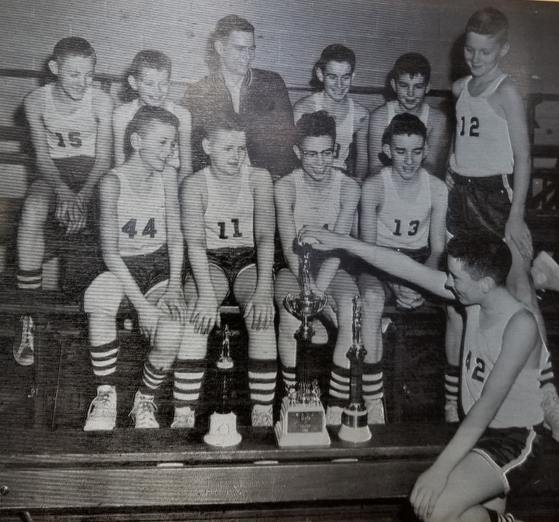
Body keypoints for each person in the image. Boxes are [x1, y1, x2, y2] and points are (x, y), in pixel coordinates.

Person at [302, 226, 546, 522]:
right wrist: (343, 242)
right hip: (478, 433)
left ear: (485, 283)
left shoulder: (521, 324)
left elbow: (487, 406)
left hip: (513, 440)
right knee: (467, 518)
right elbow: (405, 267)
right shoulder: (475, 298)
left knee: (432, 510)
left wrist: (438, 471)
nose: (450, 284)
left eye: (456, 278)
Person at [446, 7, 559, 445]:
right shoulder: (461, 88)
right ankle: (462, 397)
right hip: (462, 197)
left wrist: (517, 213)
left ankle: (548, 397)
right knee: (461, 299)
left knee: (520, 294)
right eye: (470, 48)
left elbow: (522, 157)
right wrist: (451, 167)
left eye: (485, 50)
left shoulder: (507, 92)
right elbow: (464, 140)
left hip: (496, 200)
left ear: (503, 49)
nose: (475, 57)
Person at [82, 106, 186, 431]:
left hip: (157, 267)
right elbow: (110, 253)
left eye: (173, 144)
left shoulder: (167, 176)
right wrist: (142, 308)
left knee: (172, 330)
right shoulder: (111, 182)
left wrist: (174, 286)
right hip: (120, 265)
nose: (169, 152)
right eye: (163, 143)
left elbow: (176, 235)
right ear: (137, 140)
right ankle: (105, 396)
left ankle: (144, 398)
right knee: (99, 297)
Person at [13, 37, 113, 366]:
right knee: (32, 208)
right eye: (73, 75)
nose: (82, 83)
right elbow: (42, 158)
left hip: (93, 176)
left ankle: (106, 315)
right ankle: (28, 316)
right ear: (54, 69)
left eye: (88, 74)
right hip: (55, 174)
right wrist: (63, 192)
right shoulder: (35, 101)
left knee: (109, 212)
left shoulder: (100, 101)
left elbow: (104, 161)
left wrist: (82, 196)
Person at [180, 114, 277, 427]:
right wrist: (207, 295)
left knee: (261, 314)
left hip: (249, 256)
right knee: (198, 312)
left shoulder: (259, 178)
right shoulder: (194, 184)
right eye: (227, 149)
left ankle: (263, 412)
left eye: (241, 148)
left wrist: (264, 289)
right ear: (208, 146)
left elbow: (264, 236)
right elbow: (194, 243)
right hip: (210, 258)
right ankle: (183, 413)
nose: (236, 156)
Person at [358, 113, 448, 423]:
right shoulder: (373, 186)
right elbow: (369, 251)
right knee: (370, 300)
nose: (409, 160)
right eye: (400, 151)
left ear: (425, 151)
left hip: (421, 259)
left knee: (461, 300)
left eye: (416, 151)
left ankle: (453, 400)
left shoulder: (437, 188)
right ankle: (372, 402)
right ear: (386, 150)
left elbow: (437, 250)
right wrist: (397, 281)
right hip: (379, 261)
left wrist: (421, 281)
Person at [274, 110, 361, 425]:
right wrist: (312, 297)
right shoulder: (285, 187)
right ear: (298, 152)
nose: (320, 162)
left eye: (327, 153)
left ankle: (337, 406)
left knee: (352, 308)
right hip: (295, 266)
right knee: (289, 309)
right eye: (311, 154)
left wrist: (319, 296)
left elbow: (338, 248)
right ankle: (292, 399)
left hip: (331, 267)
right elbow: (288, 249)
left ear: (336, 150)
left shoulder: (349, 187)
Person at [183, 14, 296, 181]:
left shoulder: (272, 83)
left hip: (269, 179)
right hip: (221, 182)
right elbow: (198, 153)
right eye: (240, 49)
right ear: (220, 48)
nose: (247, 57)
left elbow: (287, 143)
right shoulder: (198, 91)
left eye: (251, 49)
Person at [293, 44, 369, 181]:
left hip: (341, 179)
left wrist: (357, 182)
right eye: (332, 77)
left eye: (345, 77)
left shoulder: (360, 114)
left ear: (353, 76)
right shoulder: (303, 109)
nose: (339, 85)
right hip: (309, 177)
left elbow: (362, 159)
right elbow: (295, 155)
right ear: (320, 74)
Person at [369, 53, 449, 180]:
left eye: (418, 86)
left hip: (420, 181)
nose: (410, 93)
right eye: (404, 85)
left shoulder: (437, 119)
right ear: (394, 85)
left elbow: (431, 165)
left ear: (427, 87)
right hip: (387, 182)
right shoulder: (379, 117)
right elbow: (375, 166)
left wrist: (410, 183)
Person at [113, 50, 192, 178]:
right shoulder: (122, 114)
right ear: (133, 83)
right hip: (136, 177)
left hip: (171, 176)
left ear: (169, 83)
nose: (157, 91)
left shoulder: (182, 114)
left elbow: (186, 168)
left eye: (163, 84)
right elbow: (120, 163)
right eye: (149, 84)